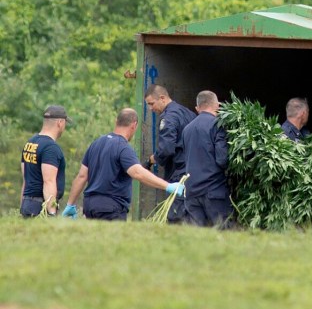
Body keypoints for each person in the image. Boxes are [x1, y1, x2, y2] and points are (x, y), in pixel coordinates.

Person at [61, 108, 184, 221]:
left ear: (116, 121)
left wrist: (70, 204)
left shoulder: (96, 143)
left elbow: (82, 176)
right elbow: (137, 172)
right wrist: (168, 186)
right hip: (110, 208)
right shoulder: (123, 147)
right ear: (134, 125)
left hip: (90, 206)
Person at [143, 84, 196, 224]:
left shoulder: (168, 117)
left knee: (175, 217)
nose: (150, 108)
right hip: (193, 172)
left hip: (179, 174)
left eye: (151, 104)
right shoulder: (187, 112)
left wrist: (150, 160)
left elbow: (166, 149)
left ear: (162, 98)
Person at [182, 90, 233, 228]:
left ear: (197, 108)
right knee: (222, 233)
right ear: (217, 105)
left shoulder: (187, 129)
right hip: (213, 192)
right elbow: (222, 160)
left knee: (197, 238)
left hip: (191, 192)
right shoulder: (218, 125)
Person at [20, 105, 70, 217]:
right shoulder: (50, 148)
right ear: (60, 123)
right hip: (40, 207)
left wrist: (22, 206)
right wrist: (51, 212)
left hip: (27, 204)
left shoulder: (30, 143)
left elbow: (26, 180)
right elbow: (49, 181)